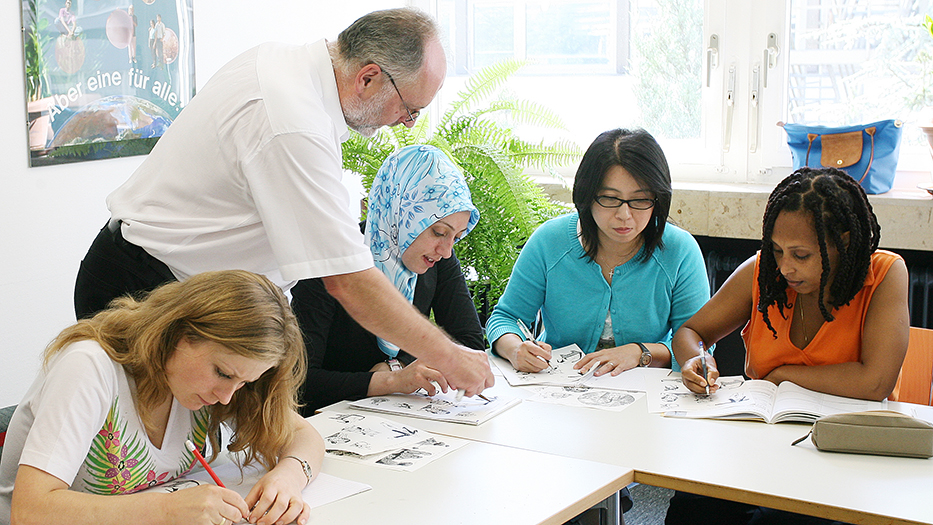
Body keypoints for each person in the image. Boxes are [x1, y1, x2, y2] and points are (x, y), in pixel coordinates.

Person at [72, 8, 494, 397]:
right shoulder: (293, 121)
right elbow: (348, 281)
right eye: (410, 108)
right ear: (368, 78)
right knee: (151, 458)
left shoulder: (288, 68)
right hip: (149, 290)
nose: (407, 122)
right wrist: (451, 357)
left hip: (203, 293)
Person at [666, 167, 910, 525]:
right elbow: (691, 331)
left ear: (843, 242)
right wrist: (696, 360)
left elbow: (875, 383)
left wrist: (782, 376)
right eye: (777, 250)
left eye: (801, 255)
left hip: (848, 450)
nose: (784, 268)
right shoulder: (763, 271)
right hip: (764, 442)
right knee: (693, 507)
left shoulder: (885, 275)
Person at [1, 270, 325, 525]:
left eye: (244, 382)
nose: (227, 397)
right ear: (180, 334)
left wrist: (289, 477)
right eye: (223, 373)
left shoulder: (214, 385)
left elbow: (303, 434)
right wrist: (165, 511)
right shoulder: (90, 367)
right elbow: (30, 513)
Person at [486, 128, 710, 377]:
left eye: (640, 200)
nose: (624, 215)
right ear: (587, 195)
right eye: (610, 198)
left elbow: (697, 344)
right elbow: (505, 317)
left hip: (648, 392)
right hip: (559, 389)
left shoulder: (680, 251)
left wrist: (640, 352)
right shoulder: (550, 242)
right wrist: (516, 349)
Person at [293, 145, 485, 415]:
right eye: (439, 231)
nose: (447, 250)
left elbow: (470, 344)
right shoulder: (334, 262)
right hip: (330, 425)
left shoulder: (436, 260)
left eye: (457, 236)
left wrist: (398, 364)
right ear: (400, 213)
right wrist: (393, 381)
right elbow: (300, 382)